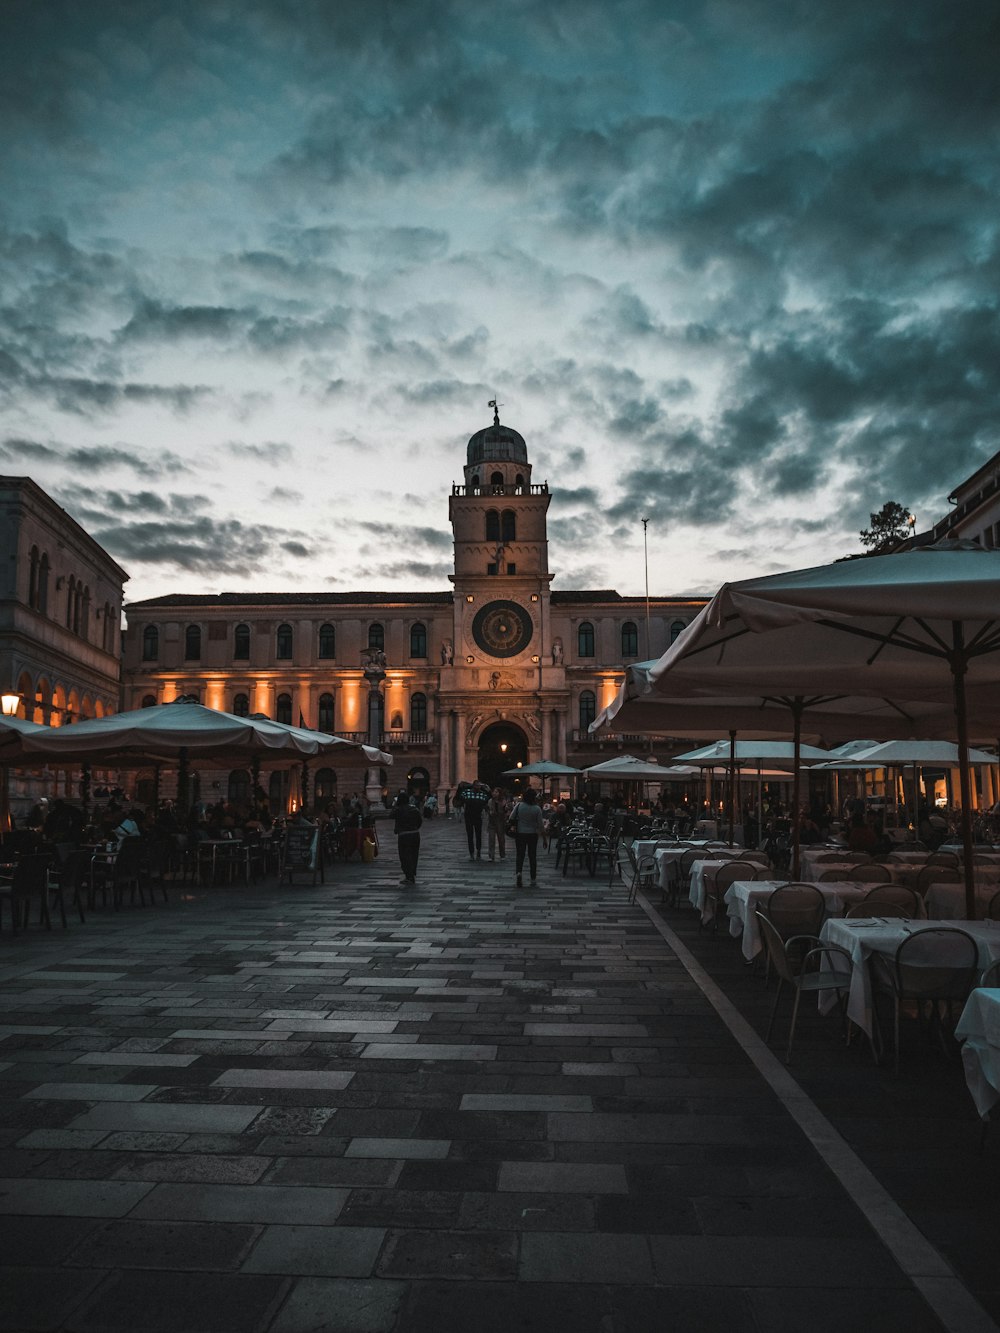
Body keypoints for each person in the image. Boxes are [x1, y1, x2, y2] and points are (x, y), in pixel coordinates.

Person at [512, 787, 545, 887]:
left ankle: (519, 873)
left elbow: (511, 817)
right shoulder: (537, 809)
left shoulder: (519, 806)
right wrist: (544, 839)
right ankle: (533, 878)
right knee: (532, 856)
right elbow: (540, 825)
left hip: (521, 833)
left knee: (520, 855)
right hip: (532, 834)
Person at [392, 790, 422, 884]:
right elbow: (419, 821)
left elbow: (391, 815)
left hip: (404, 835)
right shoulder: (414, 809)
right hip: (415, 834)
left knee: (404, 856)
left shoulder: (398, 809)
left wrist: (396, 806)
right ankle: (412, 874)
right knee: (414, 855)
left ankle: (409, 876)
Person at [463, 780, 490, 859]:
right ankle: (471, 852)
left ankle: (478, 851)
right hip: (468, 816)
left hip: (478, 816)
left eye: (480, 786)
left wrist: (487, 789)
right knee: (470, 835)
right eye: (477, 785)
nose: (479, 787)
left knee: (479, 835)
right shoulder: (467, 792)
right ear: (474, 786)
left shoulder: (482, 794)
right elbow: (459, 796)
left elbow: (488, 798)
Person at [486, 787, 510, 861]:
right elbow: (488, 810)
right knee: (491, 839)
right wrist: (489, 812)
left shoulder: (503, 801)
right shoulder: (490, 801)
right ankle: (491, 856)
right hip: (492, 821)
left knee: (501, 839)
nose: (494, 793)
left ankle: (502, 855)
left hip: (500, 821)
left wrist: (505, 808)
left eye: (496, 792)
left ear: (499, 793)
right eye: (494, 792)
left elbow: (506, 811)